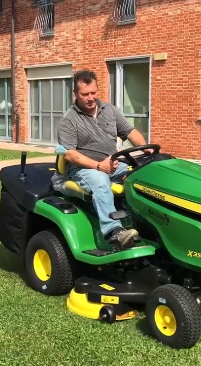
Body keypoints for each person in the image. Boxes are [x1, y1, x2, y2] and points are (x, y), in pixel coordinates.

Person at [52, 70, 151, 249]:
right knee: (100, 181)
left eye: (93, 92)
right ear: (75, 94)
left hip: (114, 164)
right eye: (85, 94)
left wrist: (146, 149)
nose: (91, 98)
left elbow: (130, 132)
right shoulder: (69, 120)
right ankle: (114, 231)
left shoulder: (110, 110)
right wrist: (98, 166)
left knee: (144, 174)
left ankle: (149, 224)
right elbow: (70, 154)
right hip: (84, 168)